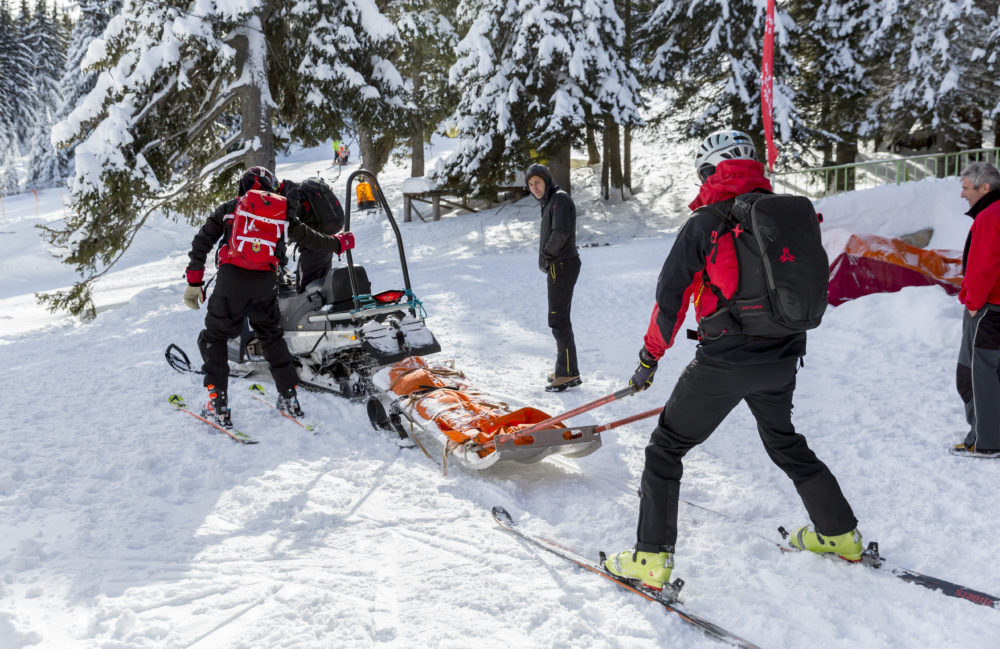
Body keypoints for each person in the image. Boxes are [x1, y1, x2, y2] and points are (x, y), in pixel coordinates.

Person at [602, 130, 862, 591]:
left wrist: (649, 358)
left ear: (708, 171)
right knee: (784, 442)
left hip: (725, 361)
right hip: (783, 357)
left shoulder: (706, 222)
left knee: (666, 449)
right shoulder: (784, 215)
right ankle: (840, 535)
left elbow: (670, 299)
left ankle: (649, 560)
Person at [183, 166, 355, 428]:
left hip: (231, 281)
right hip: (265, 283)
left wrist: (195, 282)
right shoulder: (282, 211)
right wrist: (338, 244)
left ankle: (217, 404)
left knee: (216, 337)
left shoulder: (231, 207)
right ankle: (290, 398)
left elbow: (201, 242)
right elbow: (310, 237)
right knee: (272, 338)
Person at [953, 161, 1000, 457]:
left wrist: (973, 303)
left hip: (987, 310)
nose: (962, 195)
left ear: (985, 188)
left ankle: (985, 442)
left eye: (966, 188)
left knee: (973, 375)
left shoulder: (990, 216)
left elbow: (984, 265)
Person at [525, 163, 581, 392]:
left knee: (558, 319)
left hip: (562, 264)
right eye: (530, 184)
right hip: (559, 264)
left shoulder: (559, 199)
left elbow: (561, 232)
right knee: (559, 318)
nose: (534, 187)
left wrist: (547, 256)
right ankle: (565, 368)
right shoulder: (550, 202)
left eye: (537, 182)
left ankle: (567, 373)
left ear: (547, 180)